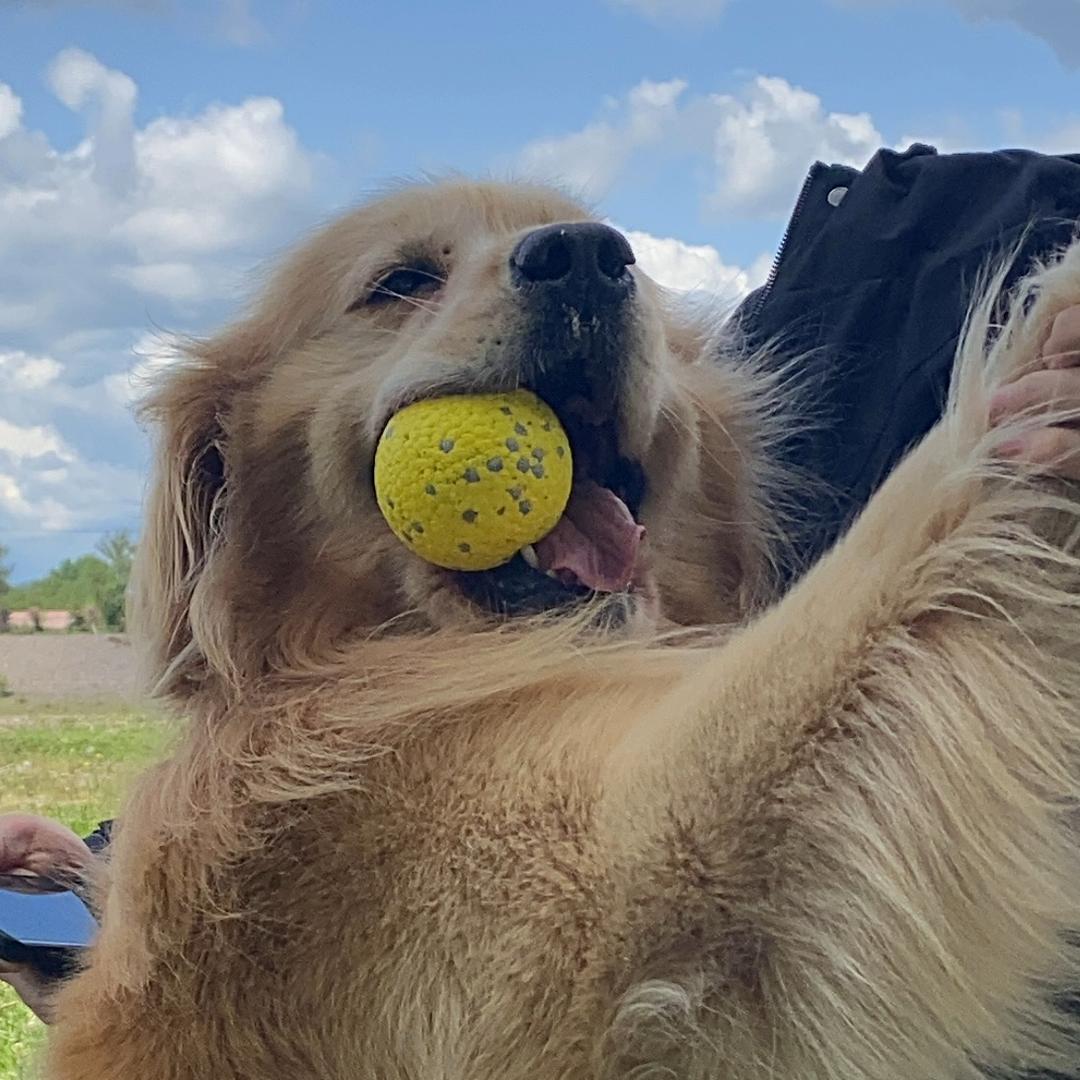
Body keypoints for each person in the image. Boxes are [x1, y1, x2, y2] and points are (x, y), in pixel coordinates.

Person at [4, 143, 1080, 1037]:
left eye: (620, 277)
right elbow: (699, 925)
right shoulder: (285, 789)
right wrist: (1006, 472)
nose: (566, 262)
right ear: (223, 465)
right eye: (403, 284)